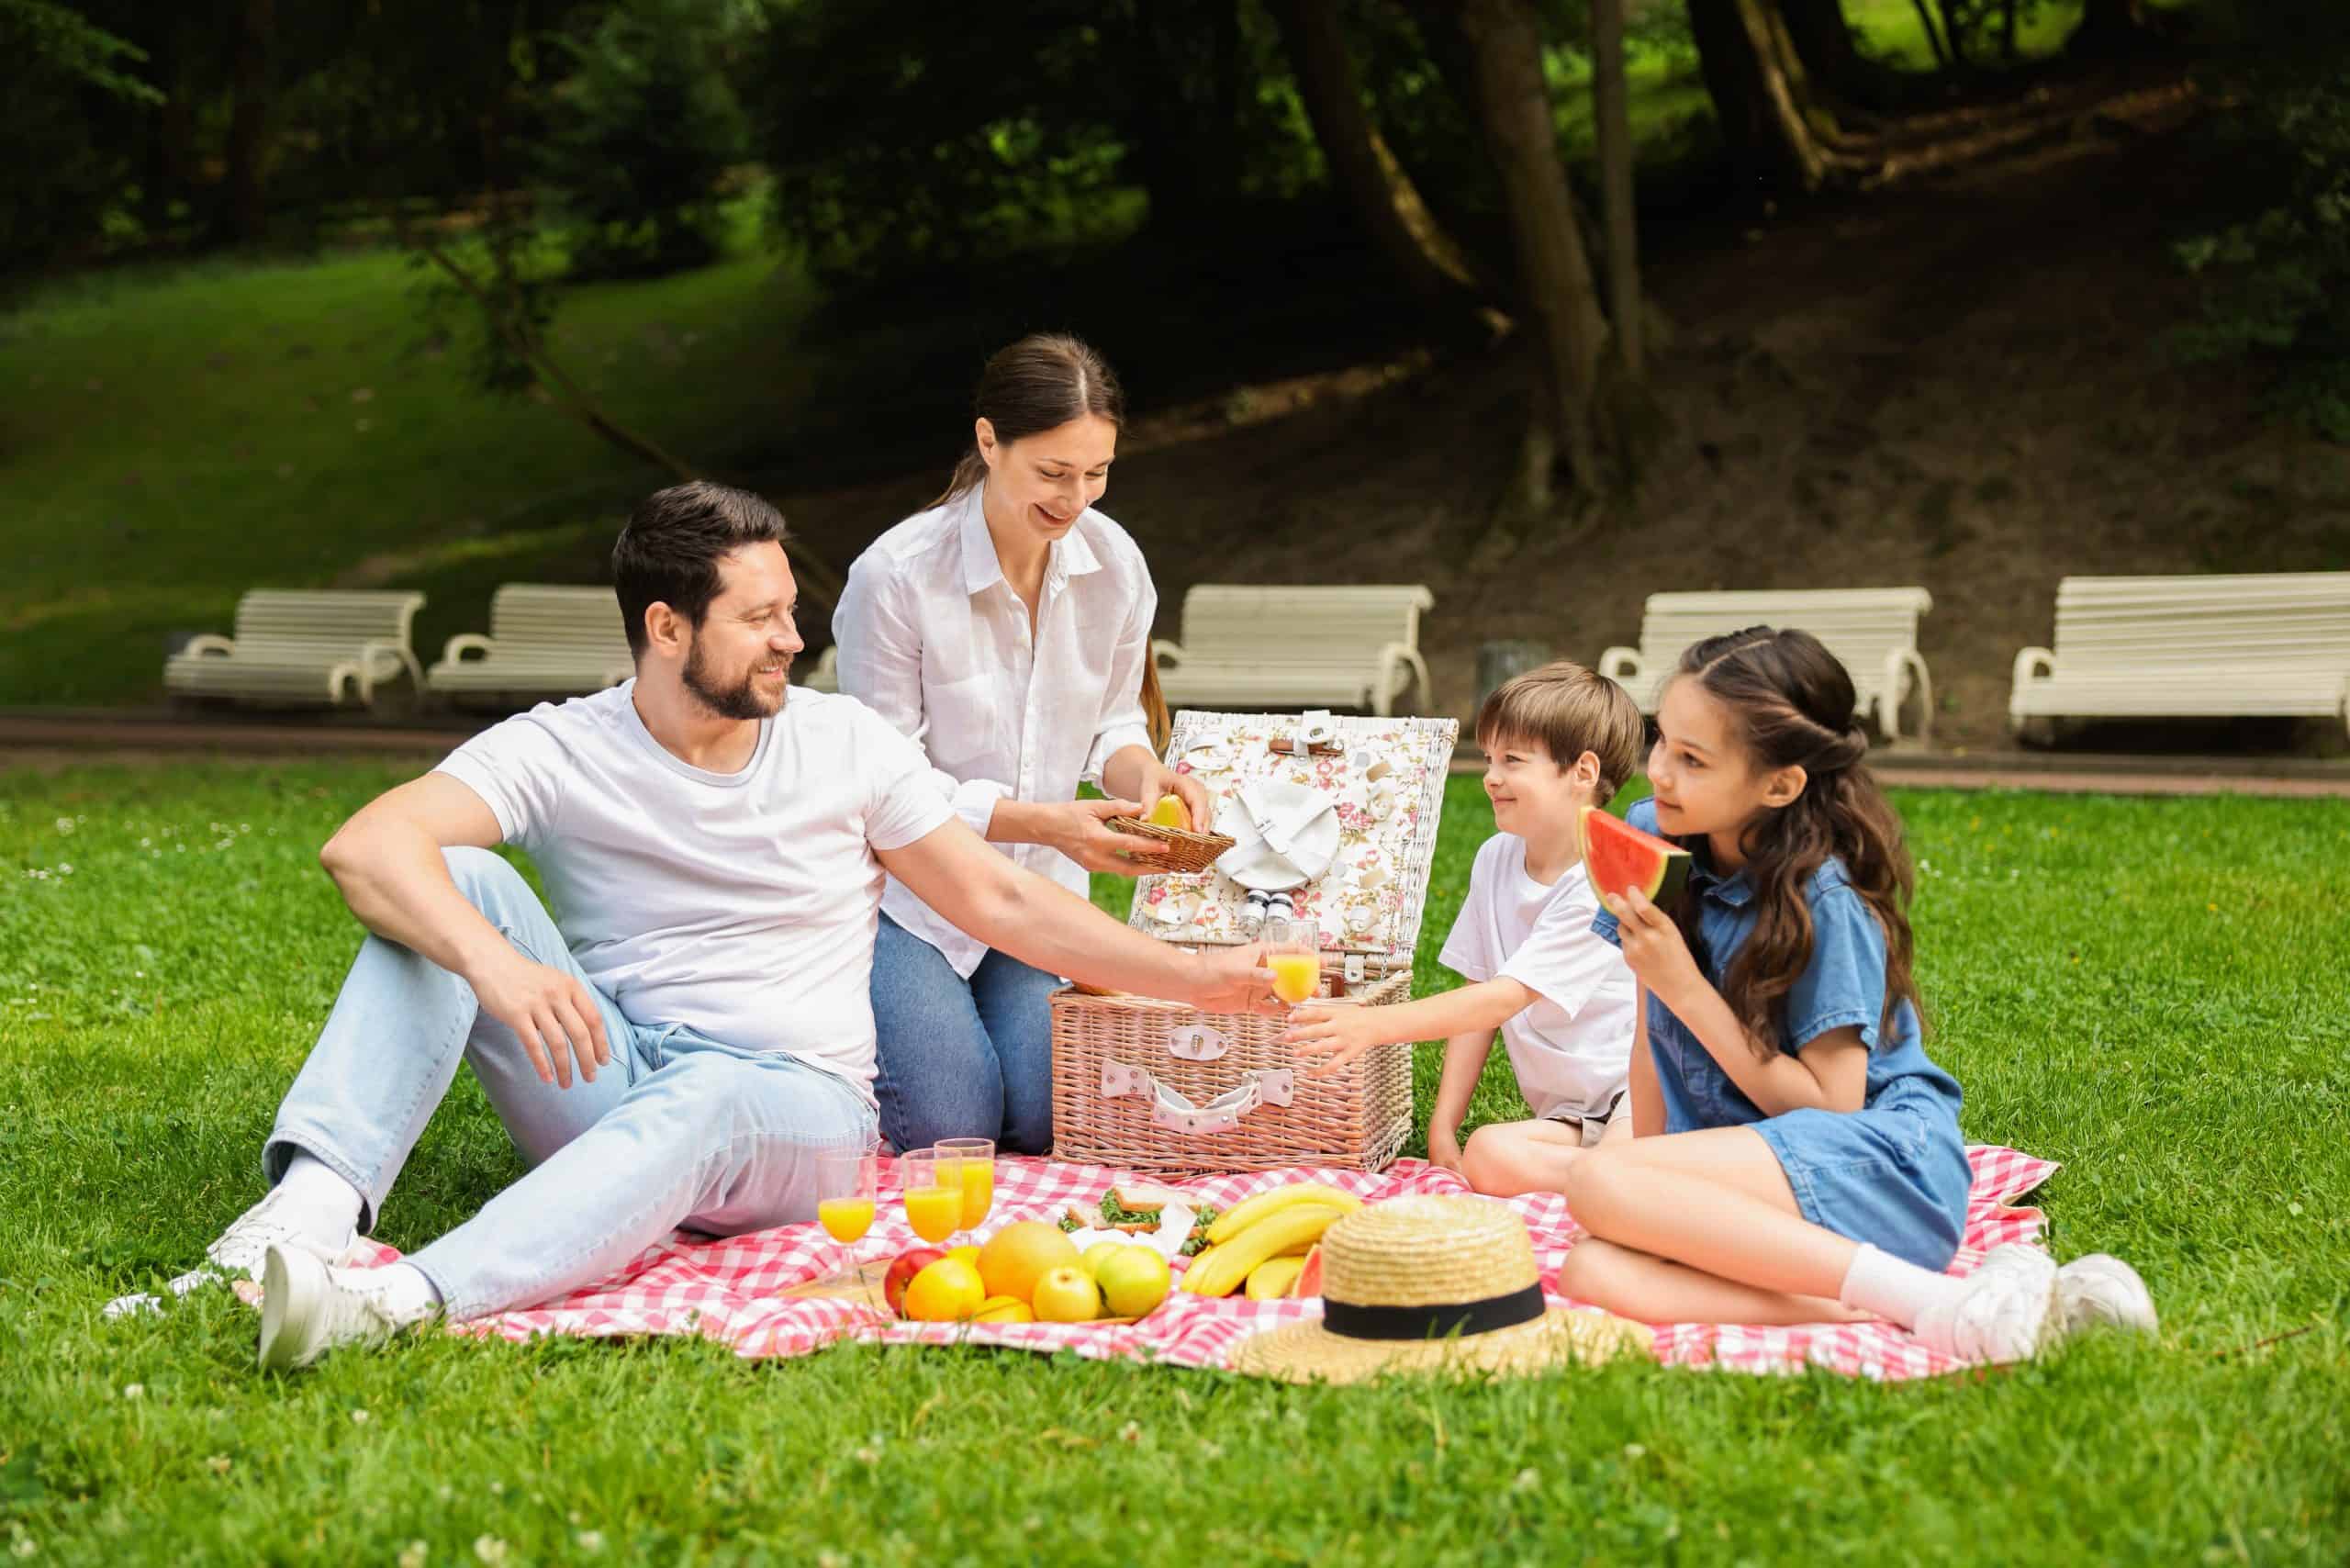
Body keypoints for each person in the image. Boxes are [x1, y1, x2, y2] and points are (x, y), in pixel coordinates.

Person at [120, 482, 1270, 1371]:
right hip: (615, 1078)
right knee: (453, 880)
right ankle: (305, 1216)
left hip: (796, 1109)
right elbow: (364, 846)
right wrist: (499, 968)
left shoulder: (843, 743)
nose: (789, 637)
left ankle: (400, 1298)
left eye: (790, 612)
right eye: (759, 617)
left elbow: (1003, 899)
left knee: (710, 1093)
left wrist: (1202, 980)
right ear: (667, 629)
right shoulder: (566, 744)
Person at [1555, 626, 2156, 1362]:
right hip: (1758, 1182)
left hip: (1878, 1168)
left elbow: (1831, 1110)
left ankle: (1929, 1293)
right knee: (1593, 1266)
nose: (1660, 775)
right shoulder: (1657, 834)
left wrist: (1684, 987)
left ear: (1779, 784)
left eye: (1692, 760)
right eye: (1661, 743)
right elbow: (1653, 1032)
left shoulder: (1825, 901)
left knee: (1597, 1180)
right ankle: (1919, 1306)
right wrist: (1655, 1186)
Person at [834, 334, 1210, 1157]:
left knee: (1051, 1116)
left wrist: (1144, 771)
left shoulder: (1115, 564)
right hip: (906, 903)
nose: (1077, 500)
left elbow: (1113, 720)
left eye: (1098, 472)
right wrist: (1048, 823)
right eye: (1053, 473)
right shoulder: (895, 578)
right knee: (950, 1129)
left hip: (1033, 900)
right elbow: (879, 785)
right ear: (988, 441)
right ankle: (814, 1063)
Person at [1282, 661, 1642, 1195]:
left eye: (1513, 761)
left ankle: (1644, 1176)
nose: (1492, 776)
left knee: (1617, 1171)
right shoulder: (1496, 857)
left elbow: (1502, 1000)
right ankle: (1629, 1180)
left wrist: (1373, 1025)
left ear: (1582, 773)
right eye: (1491, 758)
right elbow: (1477, 991)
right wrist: (1443, 1126)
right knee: (1488, 1155)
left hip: (1641, 1095)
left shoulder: (1600, 877)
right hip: (1572, 1117)